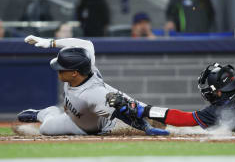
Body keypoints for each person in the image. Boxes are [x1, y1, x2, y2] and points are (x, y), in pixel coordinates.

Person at [16, 35, 168, 136]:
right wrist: (51, 43)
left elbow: (123, 112)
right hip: (80, 114)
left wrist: (146, 128)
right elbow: (86, 44)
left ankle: (46, 113)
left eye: (62, 68)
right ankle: (45, 113)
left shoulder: (95, 93)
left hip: (94, 123)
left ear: (75, 72)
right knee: (47, 127)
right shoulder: (86, 64)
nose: (58, 71)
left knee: (138, 109)